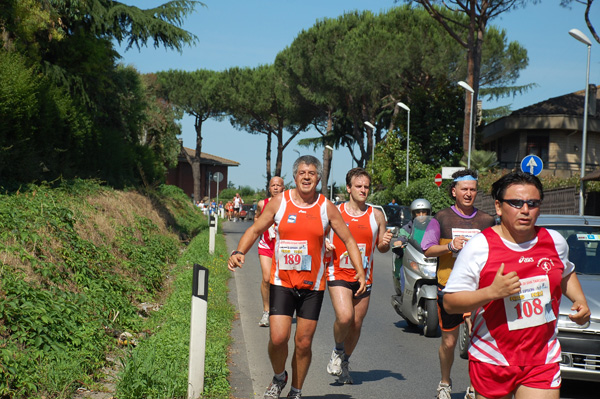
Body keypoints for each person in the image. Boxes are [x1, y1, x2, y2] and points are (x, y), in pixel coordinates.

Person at [227, 155, 366, 399]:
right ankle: (279, 376)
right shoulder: (280, 202)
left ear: (319, 178)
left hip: (313, 286)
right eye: (302, 172)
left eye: (312, 173)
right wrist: (239, 251)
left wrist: (361, 272)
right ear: (295, 177)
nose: (307, 177)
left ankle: (296, 391)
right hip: (282, 282)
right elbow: (255, 229)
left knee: (303, 343)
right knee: (278, 337)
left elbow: (349, 240)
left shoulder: (326, 207)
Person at [443, 171, 590, 399]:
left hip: (542, 357)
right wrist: (492, 292)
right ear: (499, 207)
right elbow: (450, 302)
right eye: (516, 203)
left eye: (532, 203)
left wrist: (580, 301)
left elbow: (566, 274)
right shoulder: (479, 246)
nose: (525, 210)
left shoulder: (555, 242)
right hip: (492, 356)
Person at [420, 169, 495, 399]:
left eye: (473, 189)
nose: (469, 193)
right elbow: (427, 248)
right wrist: (450, 247)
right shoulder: (441, 218)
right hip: (449, 289)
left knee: (476, 339)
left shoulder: (487, 220)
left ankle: (474, 387)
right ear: (454, 191)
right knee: (449, 342)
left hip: (478, 291)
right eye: (464, 189)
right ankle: (445, 382)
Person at [324, 168, 393, 384]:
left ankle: (345, 361)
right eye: (358, 186)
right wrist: (324, 244)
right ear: (348, 188)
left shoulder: (376, 215)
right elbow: (321, 236)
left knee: (355, 324)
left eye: (366, 186)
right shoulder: (335, 212)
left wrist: (384, 244)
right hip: (338, 272)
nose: (363, 190)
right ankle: (336, 351)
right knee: (345, 317)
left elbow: (381, 248)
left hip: (365, 276)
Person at [256, 176, 285, 327]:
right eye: (272, 185)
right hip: (266, 246)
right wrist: (264, 227)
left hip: (283, 248)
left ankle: (282, 311)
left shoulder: (288, 205)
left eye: (278, 185)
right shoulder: (262, 204)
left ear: (283, 188)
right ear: (269, 188)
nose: (275, 188)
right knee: (267, 278)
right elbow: (256, 220)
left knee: (282, 281)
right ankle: (266, 312)